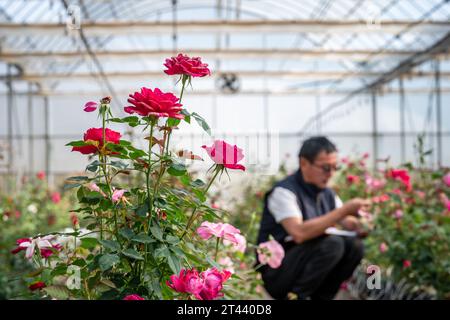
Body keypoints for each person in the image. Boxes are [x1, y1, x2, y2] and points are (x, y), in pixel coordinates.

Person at [256, 136, 371, 300]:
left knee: (355, 246)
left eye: (334, 167)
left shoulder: (327, 193)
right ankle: (295, 297)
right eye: (325, 167)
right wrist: (345, 210)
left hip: (300, 267)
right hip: (277, 273)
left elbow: (348, 222)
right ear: (304, 163)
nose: (331, 174)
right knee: (333, 244)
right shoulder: (284, 192)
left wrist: (363, 223)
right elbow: (298, 233)